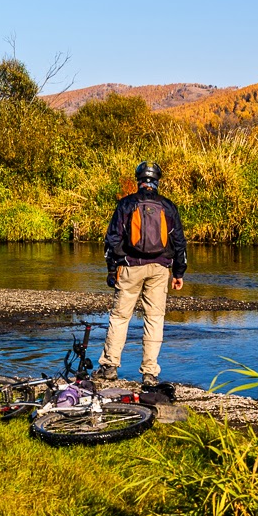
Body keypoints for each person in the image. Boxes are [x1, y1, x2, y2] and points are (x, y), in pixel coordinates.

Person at [92, 161, 187, 386]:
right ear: (157, 181)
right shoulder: (168, 206)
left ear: (139, 180)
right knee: (154, 319)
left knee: (120, 317)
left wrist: (111, 269)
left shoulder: (126, 204)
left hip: (130, 266)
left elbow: (112, 239)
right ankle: (149, 373)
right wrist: (179, 273)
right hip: (160, 269)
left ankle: (109, 367)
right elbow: (179, 242)